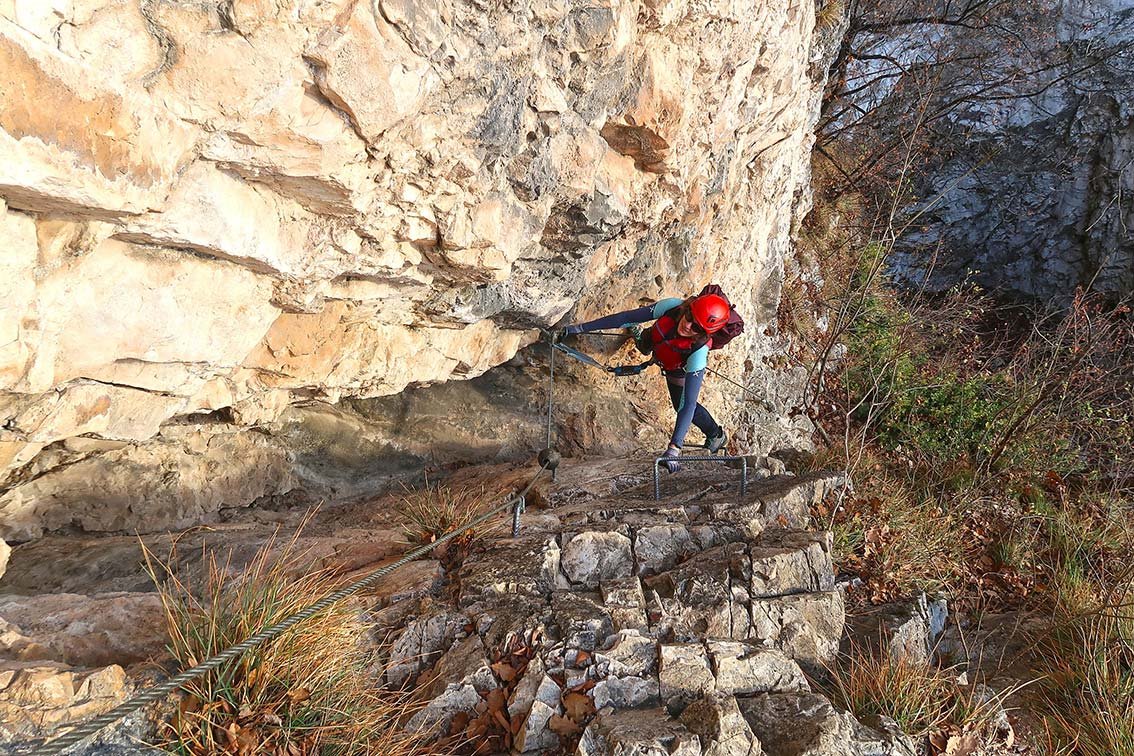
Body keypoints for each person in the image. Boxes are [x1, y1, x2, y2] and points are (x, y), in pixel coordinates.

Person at [557, 292, 733, 473]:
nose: (687, 325)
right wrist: (578, 328)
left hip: (675, 368)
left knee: (679, 403)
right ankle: (641, 340)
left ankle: (716, 435)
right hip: (658, 344)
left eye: (695, 327)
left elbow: (688, 404)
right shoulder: (673, 307)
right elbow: (626, 317)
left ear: (703, 333)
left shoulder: (698, 352)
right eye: (689, 316)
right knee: (645, 344)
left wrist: (674, 448)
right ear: (688, 308)